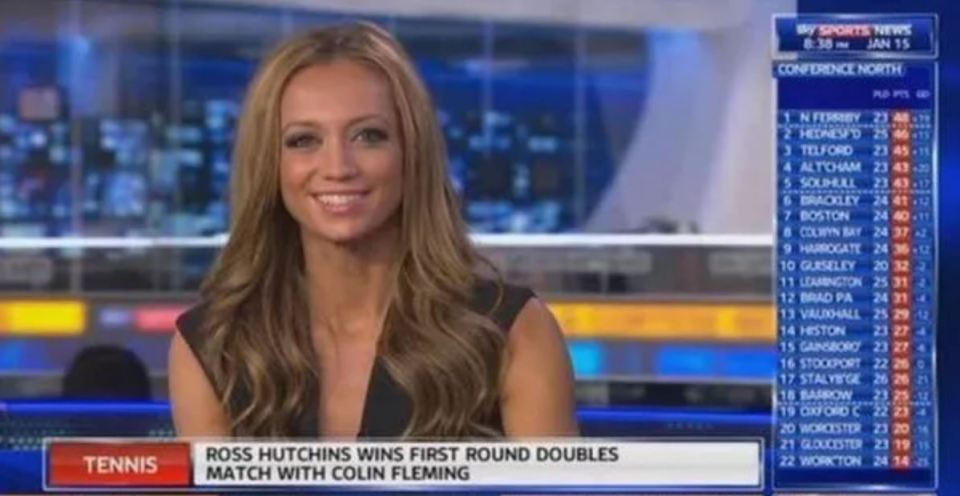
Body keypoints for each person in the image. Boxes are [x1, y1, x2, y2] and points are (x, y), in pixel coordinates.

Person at [169, 22, 578, 439]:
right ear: (269, 164)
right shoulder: (214, 346)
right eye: (303, 140)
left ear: (410, 152)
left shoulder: (510, 332)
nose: (338, 168)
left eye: (369, 136)